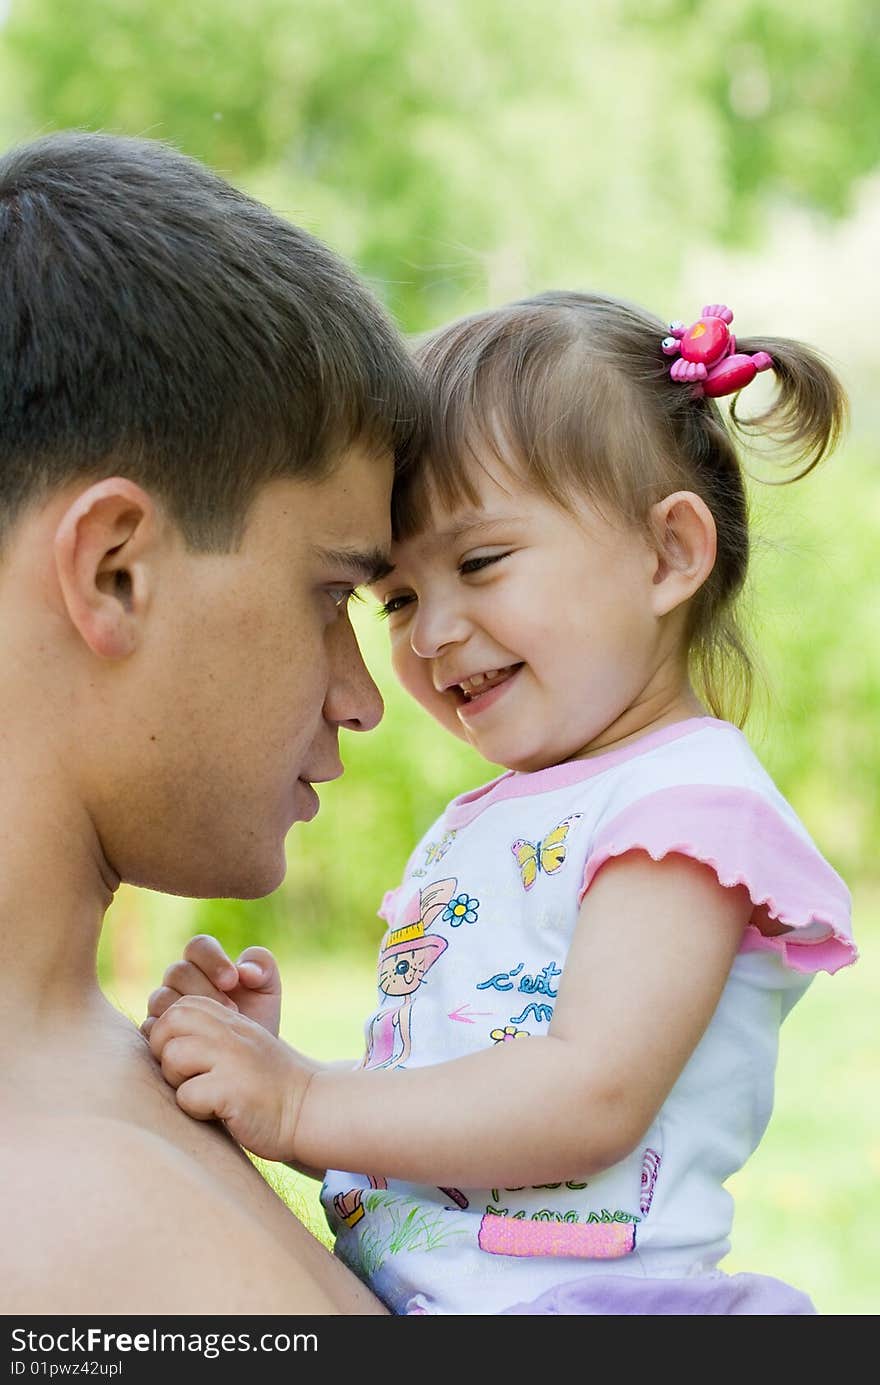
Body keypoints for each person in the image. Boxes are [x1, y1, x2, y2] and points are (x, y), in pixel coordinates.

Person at [145, 294, 856, 1316]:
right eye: (393, 596)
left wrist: (303, 1100)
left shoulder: (685, 810)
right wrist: (275, 1079)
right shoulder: (491, 817)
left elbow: (585, 1098)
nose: (429, 632)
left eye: (480, 562)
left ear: (668, 555)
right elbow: (453, 1165)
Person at [0, 128, 426, 1315]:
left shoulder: (137, 1074)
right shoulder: (74, 1224)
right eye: (333, 594)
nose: (363, 694)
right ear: (116, 570)